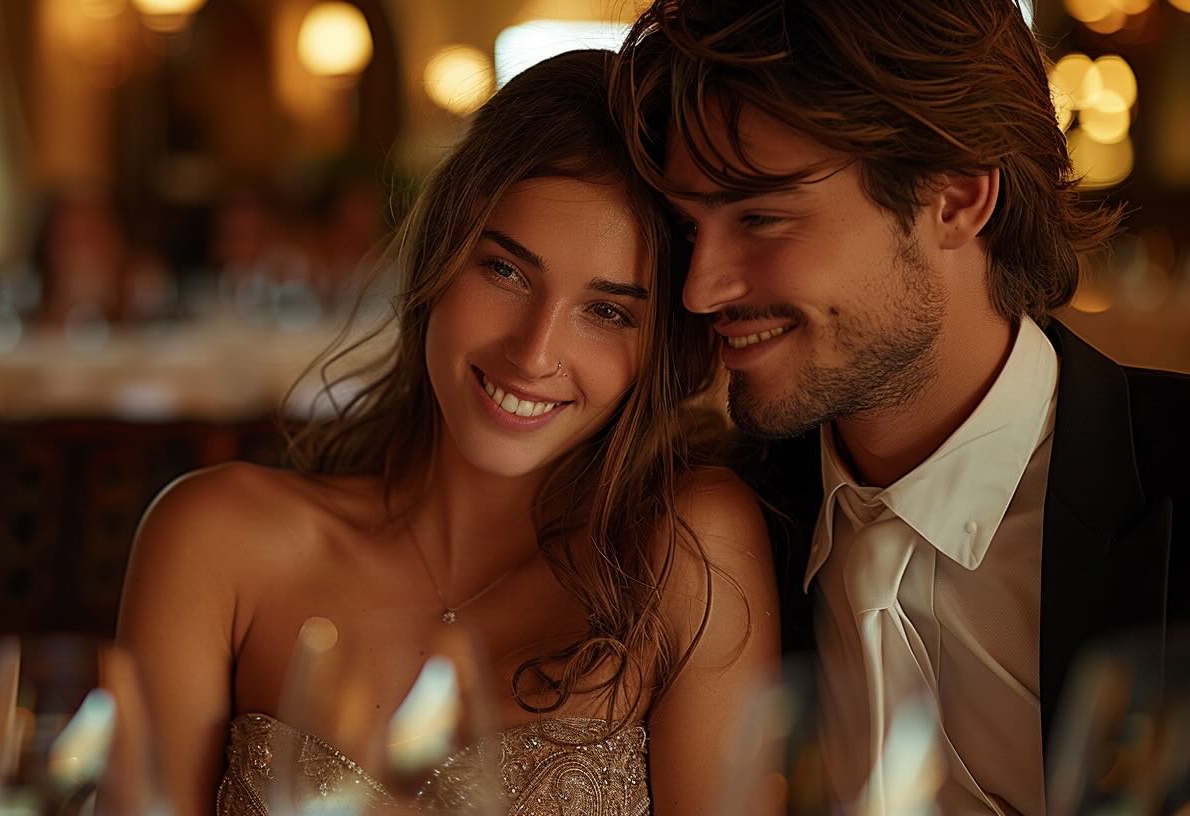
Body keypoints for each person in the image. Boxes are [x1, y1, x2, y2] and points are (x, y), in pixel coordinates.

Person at [118, 50, 779, 816]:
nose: (533, 354)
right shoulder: (215, 541)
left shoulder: (687, 549)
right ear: (440, 254)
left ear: (662, 344)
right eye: (505, 272)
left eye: (607, 312)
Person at [612, 1, 1190, 813]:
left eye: (762, 218)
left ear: (956, 197)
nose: (700, 287)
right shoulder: (719, 535)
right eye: (687, 227)